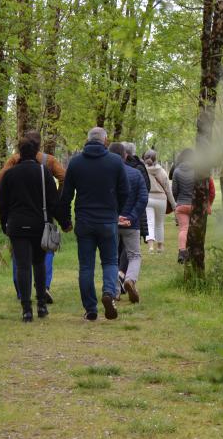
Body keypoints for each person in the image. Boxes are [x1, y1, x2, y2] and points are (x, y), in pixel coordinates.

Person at [60, 127, 129, 320]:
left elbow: (66, 196)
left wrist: (65, 220)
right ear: (105, 140)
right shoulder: (115, 162)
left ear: (87, 140)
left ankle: (90, 309)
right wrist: (117, 211)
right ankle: (108, 293)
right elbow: (125, 190)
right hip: (108, 220)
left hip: (84, 220)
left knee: (86, 266)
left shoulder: (75, 163)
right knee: (110, 261)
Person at [0, 137, 70, 322]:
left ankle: (26, 309)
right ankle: (41, 305)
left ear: (19, 153)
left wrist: (4, 223)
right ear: (37, 152)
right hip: (40, 224)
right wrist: (64, 222)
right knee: (39, 264)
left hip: (17, 224)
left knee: (22, 265)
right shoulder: (43, 172)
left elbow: (2, 203)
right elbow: (53, 201)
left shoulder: (10, 174)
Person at [108, 143, 148, 303]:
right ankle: (130, 279)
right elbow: (143, 198)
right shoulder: (136, 174)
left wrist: (116, 216)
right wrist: (131, 217)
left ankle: (115, 291)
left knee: (111, 257)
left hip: (111, 222)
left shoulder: (106, 175)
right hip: (132, 224)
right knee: (134, 255)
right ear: (125, 156)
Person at [171, 148, 216, 264]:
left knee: (184, 229)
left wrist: (179, 201)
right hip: (196, 206)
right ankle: (194, 252)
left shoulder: (176, 171)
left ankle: (182, 251)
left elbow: (174, 191)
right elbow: (206, 188)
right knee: (196, 230)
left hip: (181, 205)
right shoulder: (199, 171)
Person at [143, 149, 176, 254]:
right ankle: (160, 246)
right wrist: (173, 204)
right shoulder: (162, 171)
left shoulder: (142, 171)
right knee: (159, 223)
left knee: (149, 222)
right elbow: (168, 190)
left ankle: (151, 247)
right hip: (161, 199)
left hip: (148, 198)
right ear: (155, 159)